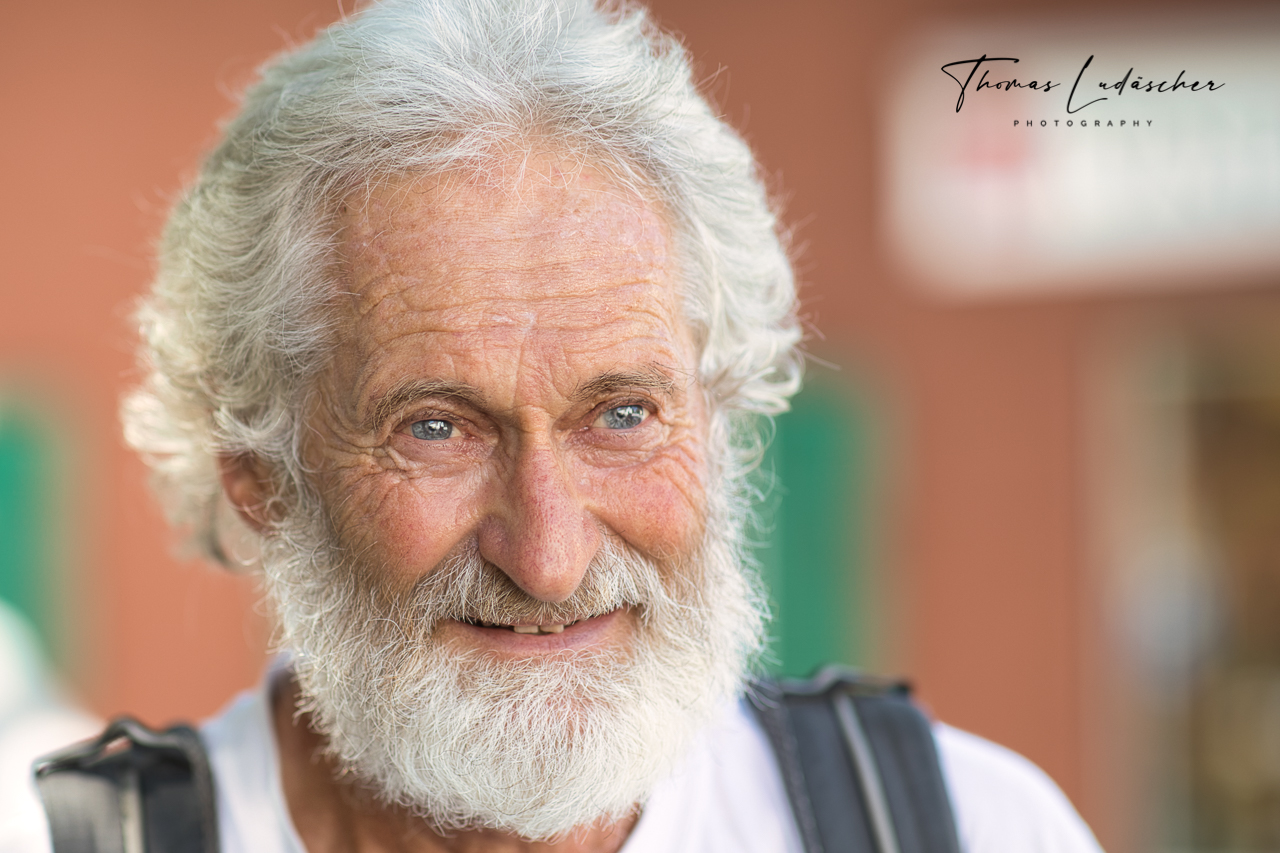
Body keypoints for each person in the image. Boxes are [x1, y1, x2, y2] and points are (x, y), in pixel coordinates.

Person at [44, 0, 1104, 850]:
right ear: (259, 474)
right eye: (435, 429)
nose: (548, 560)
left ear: (719, 408)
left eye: (623, 413)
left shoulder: (966, 827)